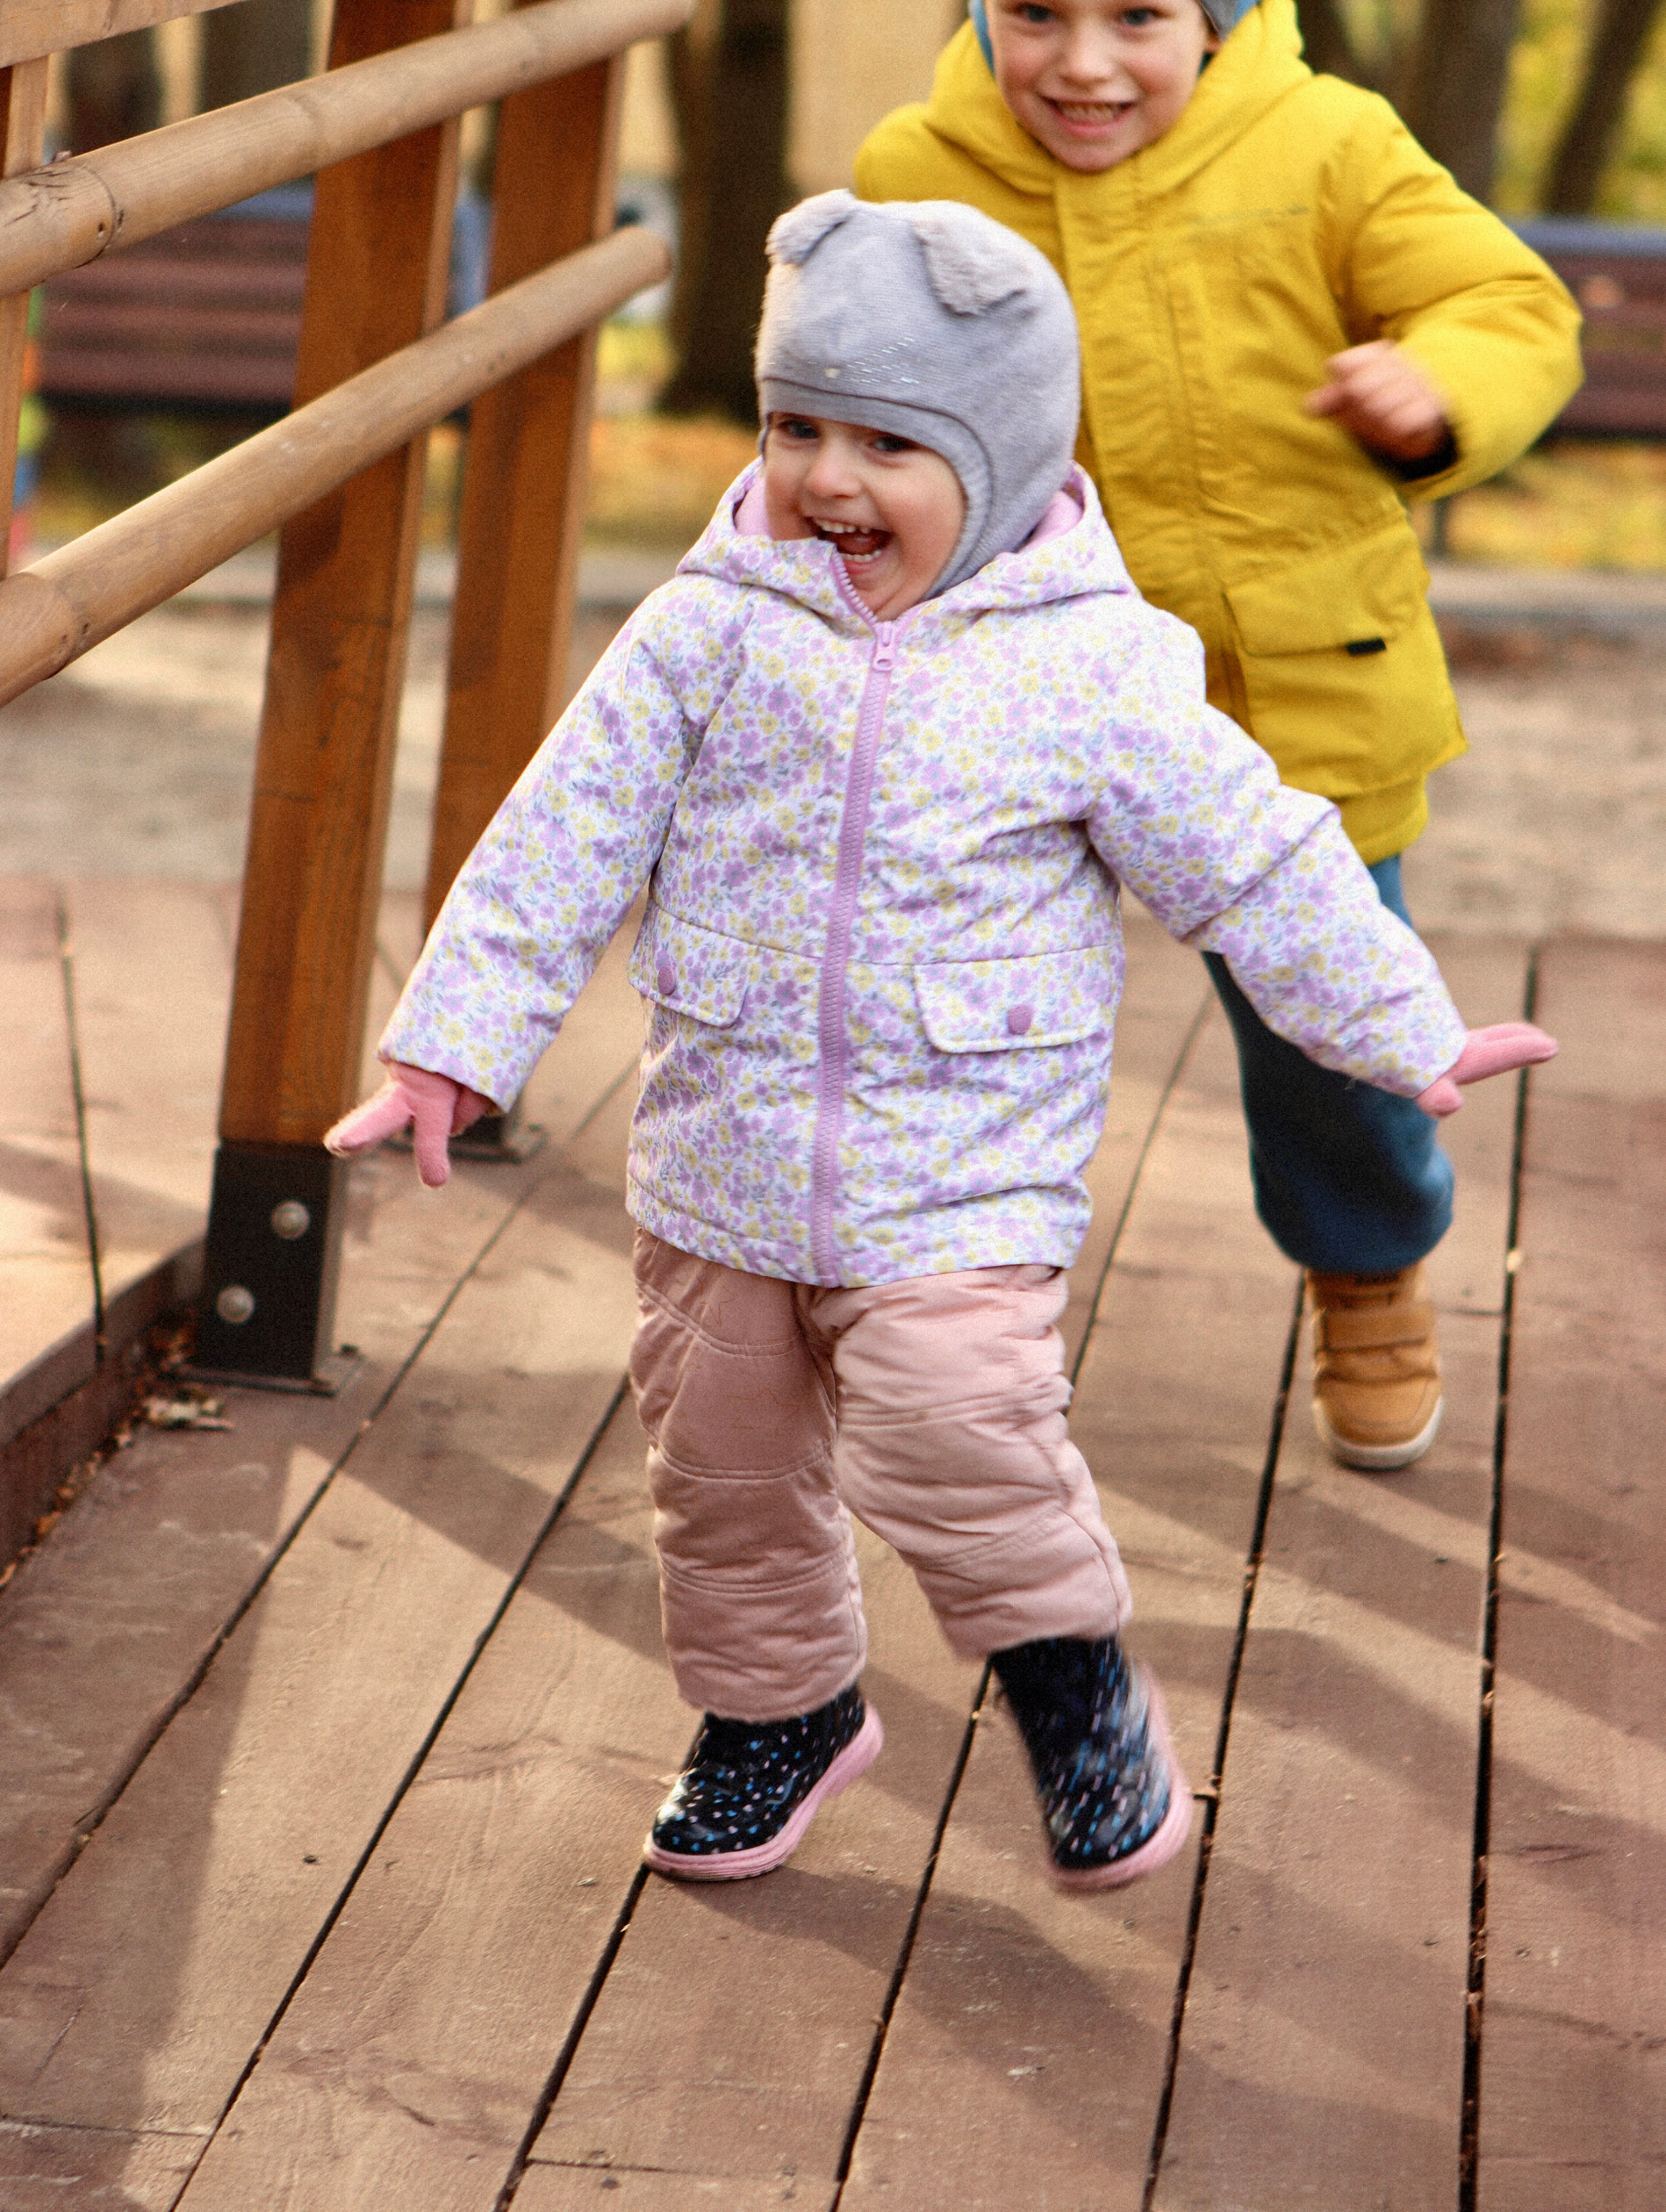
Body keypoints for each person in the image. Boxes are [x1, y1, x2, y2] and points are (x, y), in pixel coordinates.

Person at [326, 196, 1553, 1891]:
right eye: (794, 425)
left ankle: (1073, 1691)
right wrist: (451, 1046)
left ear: (1004, 456)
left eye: (890, 440)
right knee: (719, 1461)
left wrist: (1392, 1024)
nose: (828, 476)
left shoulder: (1097, 667)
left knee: (953, 1426)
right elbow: (564, 835)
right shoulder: (707, 628)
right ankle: (779, 1717)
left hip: (962, 1166)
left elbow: (1254, 854)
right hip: (724, 1156)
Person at [854, 0, 1582, 1472]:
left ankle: (1365, 1262)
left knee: (1329, 1021)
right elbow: (842, 390)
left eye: (1138, 16)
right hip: (1014, 683)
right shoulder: (915, 167)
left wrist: (1435, 383)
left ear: (1217, 19)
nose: (1081, 62)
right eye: (1036, 13)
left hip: (1286, 685)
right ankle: (922, 1303)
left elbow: (1508, 309)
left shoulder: (1323, 142)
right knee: (934, 1007)